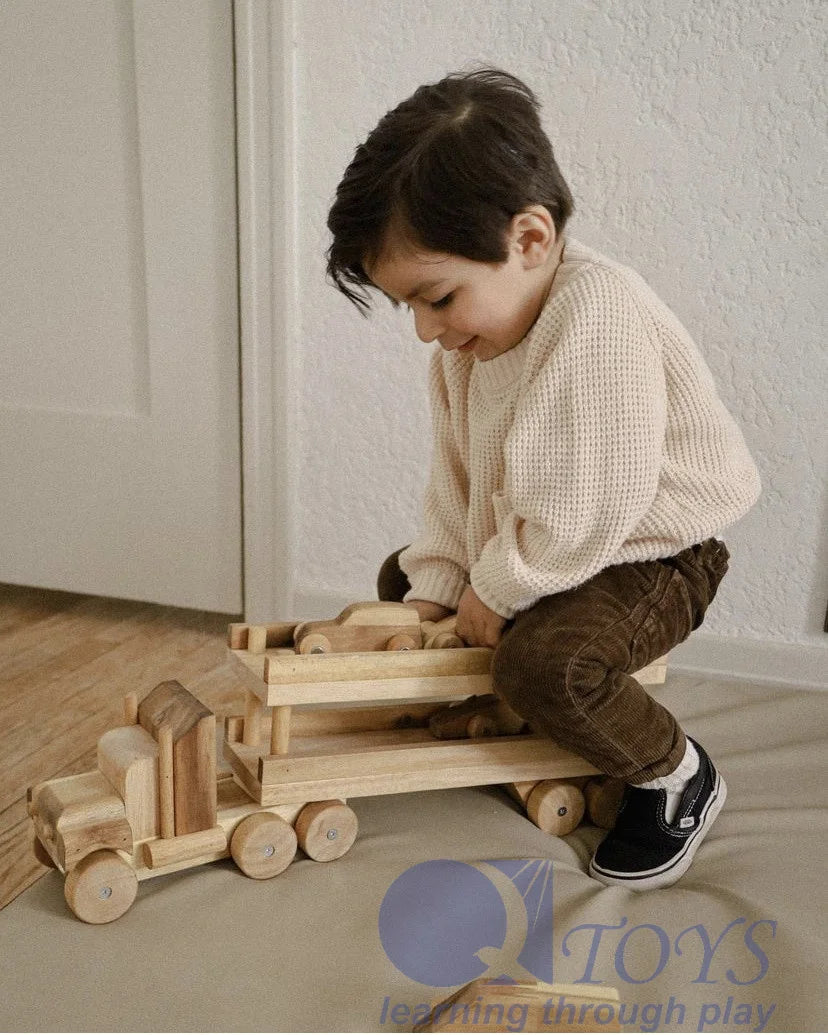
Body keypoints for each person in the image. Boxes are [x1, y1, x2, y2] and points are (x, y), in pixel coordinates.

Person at [325, 68, 761, 890]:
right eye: (408, 307)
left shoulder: (597, 313)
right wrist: (439, 587)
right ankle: (486, 702)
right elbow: (454, 488)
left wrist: (498, 585)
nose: (424, 329)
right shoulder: (467, 348)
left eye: (437, 297)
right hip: (565, 541)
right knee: (402, 579)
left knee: (547, 663)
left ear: (530, 239)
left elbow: (591, 504)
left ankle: (675, 774)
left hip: (654, 552)